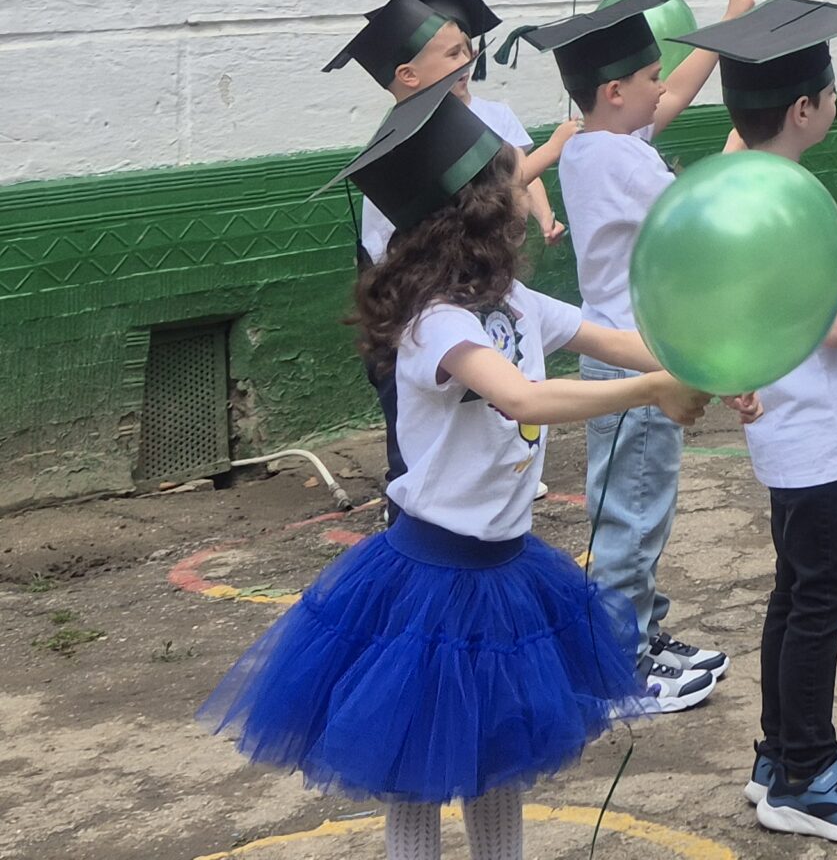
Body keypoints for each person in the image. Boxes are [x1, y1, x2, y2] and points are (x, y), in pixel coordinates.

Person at [201, 74, 705, 859]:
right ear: (479, 214)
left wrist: (705, 364)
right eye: (513, 184)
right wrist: (652, 390)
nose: (527, 194)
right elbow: (522, 398)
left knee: (499, 759)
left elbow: (615, 339)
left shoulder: (516, 304)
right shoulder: (434, 323)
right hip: (431, 582)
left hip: (506, 575)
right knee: (416, 770)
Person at [689, 0, 837, 846]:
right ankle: (806, 777)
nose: (834, 101)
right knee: (821, 594)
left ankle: (783, 750)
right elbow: (828, 328)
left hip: (789, 427)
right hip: (813, 429)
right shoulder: (791, 197)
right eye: (830, 91)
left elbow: (792, 304)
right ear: (803, 109)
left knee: (795, 589)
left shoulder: (742, 189)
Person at [514, 0, 758, 713]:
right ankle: (619, 663)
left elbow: (675, 95)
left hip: (621, 349)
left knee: (635, 503)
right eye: (651, 76)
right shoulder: (619, 158)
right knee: (633, 511)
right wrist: (746, 146)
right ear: (616, 91)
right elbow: (696, 214)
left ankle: (639, 629)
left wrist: (724, 28)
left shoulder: (592, 144)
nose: (663, 89)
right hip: (637, 359)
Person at [326, 0, 572, 498]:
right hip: (415, 310)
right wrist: (552, 150)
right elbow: (487, 197)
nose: (468, 61)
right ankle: (410, 508)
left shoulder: (474, 120)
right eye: (453, 54)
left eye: (467, 49)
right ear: (408, 75)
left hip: (469, 293)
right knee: (415, 439)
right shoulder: (407, 150)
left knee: (480, 414)